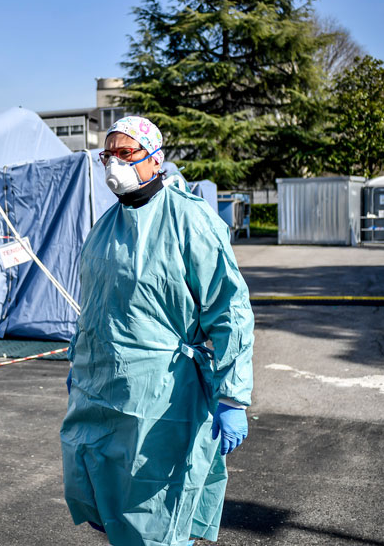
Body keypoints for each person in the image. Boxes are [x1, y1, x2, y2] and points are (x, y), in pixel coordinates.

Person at [60, 116, 254, 546]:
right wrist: (78, 361)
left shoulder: (189, 219)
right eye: (106, 156)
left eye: (125, 154)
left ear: (155, 158)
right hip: (98, 389)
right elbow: (94, 306)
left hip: (161, 397)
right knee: (103, 497)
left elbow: (230, 311)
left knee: (154, 510)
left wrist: (233, 394)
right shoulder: (105, 227)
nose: (113, 165)